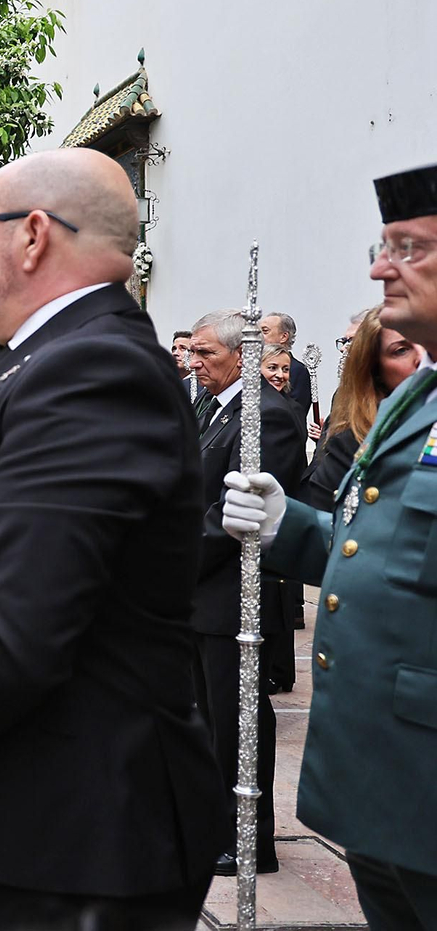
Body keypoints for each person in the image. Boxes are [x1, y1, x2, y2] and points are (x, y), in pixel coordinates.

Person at [0, 148, 224, 930]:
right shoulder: (25, 363)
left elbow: (24, 624)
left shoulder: (94, 365)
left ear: (30, 236)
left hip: (72, 830)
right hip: (7, 817)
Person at [226, 161, 437, 929]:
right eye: (382, 247)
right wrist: (295, 527)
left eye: (408, 248)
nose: (381, 267)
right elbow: (381, 547)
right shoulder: (421, 392)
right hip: (385, 784)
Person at [186, 308, 307, 877]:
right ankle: (213, 824)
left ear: (242, 355)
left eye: (206, 353)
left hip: (233, 597)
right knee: (209, 719)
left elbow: (240, 516)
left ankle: (250, 839)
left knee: (239, 719)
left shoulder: (268, 417)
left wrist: (176, 558)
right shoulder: (217, 409)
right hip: (201, 596)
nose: (194, 362)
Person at [304, 306, 423, 510]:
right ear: (375, 369)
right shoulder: (353, 437)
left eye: (428, 344)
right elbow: (325, 515)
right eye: (401, 350)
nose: (422, 358)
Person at [261, 311, 314, 421]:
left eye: (265, 331)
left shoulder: (297, 370)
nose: (259, 337)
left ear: (284, 337)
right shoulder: (253, 366)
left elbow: (295, 413)